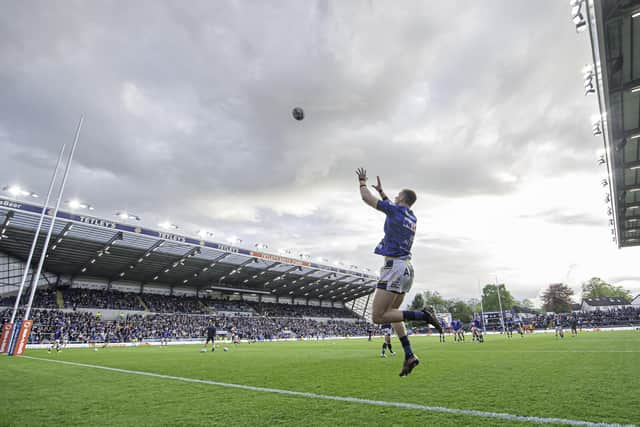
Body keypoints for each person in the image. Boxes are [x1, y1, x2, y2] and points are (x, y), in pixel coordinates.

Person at [356, 168, 442, 377]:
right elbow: (394, 208)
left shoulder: (395, 211)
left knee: (377, 316)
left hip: (394, 267)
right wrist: (384, 193)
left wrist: (362, 182)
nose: (393, 198)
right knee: (394, 315)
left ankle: (423, 314)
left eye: (396, 196)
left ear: (402, 198)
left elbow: (366, 198)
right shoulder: (411, 217)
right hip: (407, 269)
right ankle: (409, 354)